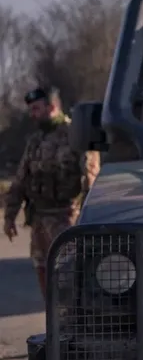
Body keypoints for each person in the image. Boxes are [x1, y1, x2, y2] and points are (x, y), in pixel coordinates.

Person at [3, 87, 101, 297]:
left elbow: (91, 178)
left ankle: (75, 323)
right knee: (43, 272)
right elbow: (21, 179)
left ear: (53, 107)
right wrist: (10, 216)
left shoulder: (76, 136)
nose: (32, 115)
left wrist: (89, 216)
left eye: (36, 109)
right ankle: (53, 323)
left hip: (67, 218)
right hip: (40, 220)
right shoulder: (35, 140)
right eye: (31, 110)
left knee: (71, 277)